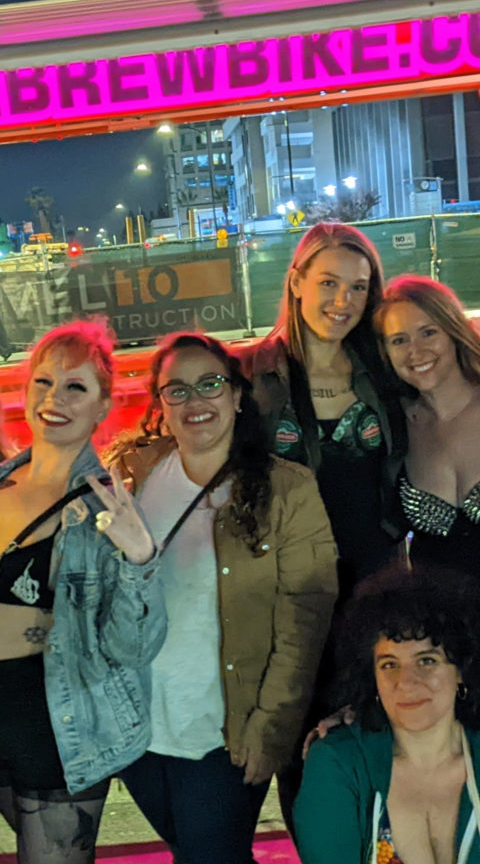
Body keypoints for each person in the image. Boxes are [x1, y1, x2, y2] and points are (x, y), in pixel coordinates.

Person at [105, 332, 338, 864]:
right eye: (177, 390)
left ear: (237, 395)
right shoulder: (130, 474)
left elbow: (306, 613)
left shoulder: (288, 488)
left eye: (210, 384)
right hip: (140, 729)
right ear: (159, 406)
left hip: (227, 732)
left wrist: (271, 726)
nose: (195, 402)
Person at [239, 222, 403, 824]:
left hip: (374, 585)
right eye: (328, 282)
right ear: (296, 282)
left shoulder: (386, 370)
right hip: (294, 592)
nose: (342, 301)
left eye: (358, 288)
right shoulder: (252, 375)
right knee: (304, 751)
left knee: (381, 735)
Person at [0, 319, 165, 864]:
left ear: (101, 406)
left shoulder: (107, 509)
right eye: (44, 383)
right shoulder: (2, 482)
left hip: (50, 727)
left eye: (76, 387)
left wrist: (140, 558)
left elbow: (132, 649)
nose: (55, 399)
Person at [294, 575, 480, 864]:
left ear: (462, 669)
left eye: (426, 661)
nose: (407, 682)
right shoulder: (337, 762)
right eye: (389, 664)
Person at [374, 276, 480, 618]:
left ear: (453, 331)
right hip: (445, 637)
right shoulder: (392, 425)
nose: (416, 352)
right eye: (399, 340)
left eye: (429, 332)